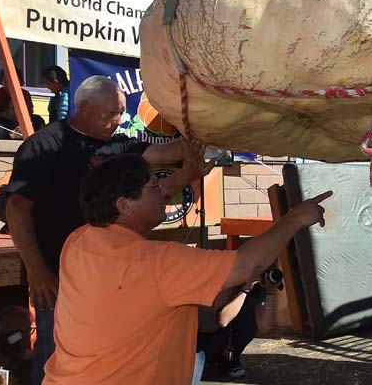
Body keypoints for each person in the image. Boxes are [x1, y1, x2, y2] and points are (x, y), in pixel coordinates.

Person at [43, 152, 332, 384]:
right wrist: (294, 218)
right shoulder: (156, 262)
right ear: (124, 205)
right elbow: (247, 265)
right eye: (153, 187)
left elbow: (155, 198)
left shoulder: (79, 240)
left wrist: (188, 174)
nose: (163, 193)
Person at [5, 75, 191, 385]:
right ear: (85, 107)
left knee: (105, 350)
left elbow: (167, 153)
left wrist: (205, 137)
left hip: (111, 274)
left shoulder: (119, 145)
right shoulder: (45, 145)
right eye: (111, 113)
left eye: (121, 112)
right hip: (57, 275)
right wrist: (36, 270)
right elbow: (17, 208)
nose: (118, 121)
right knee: (55, 351)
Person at [195, 271, 280, 379]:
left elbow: (264, 327)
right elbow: (223, 320)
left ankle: (230, 361)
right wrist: (245, 289)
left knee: (249, 320)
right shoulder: (227, 282)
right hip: (203, 340)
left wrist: (271, 293)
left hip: (224, 343)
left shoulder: (257, 290)